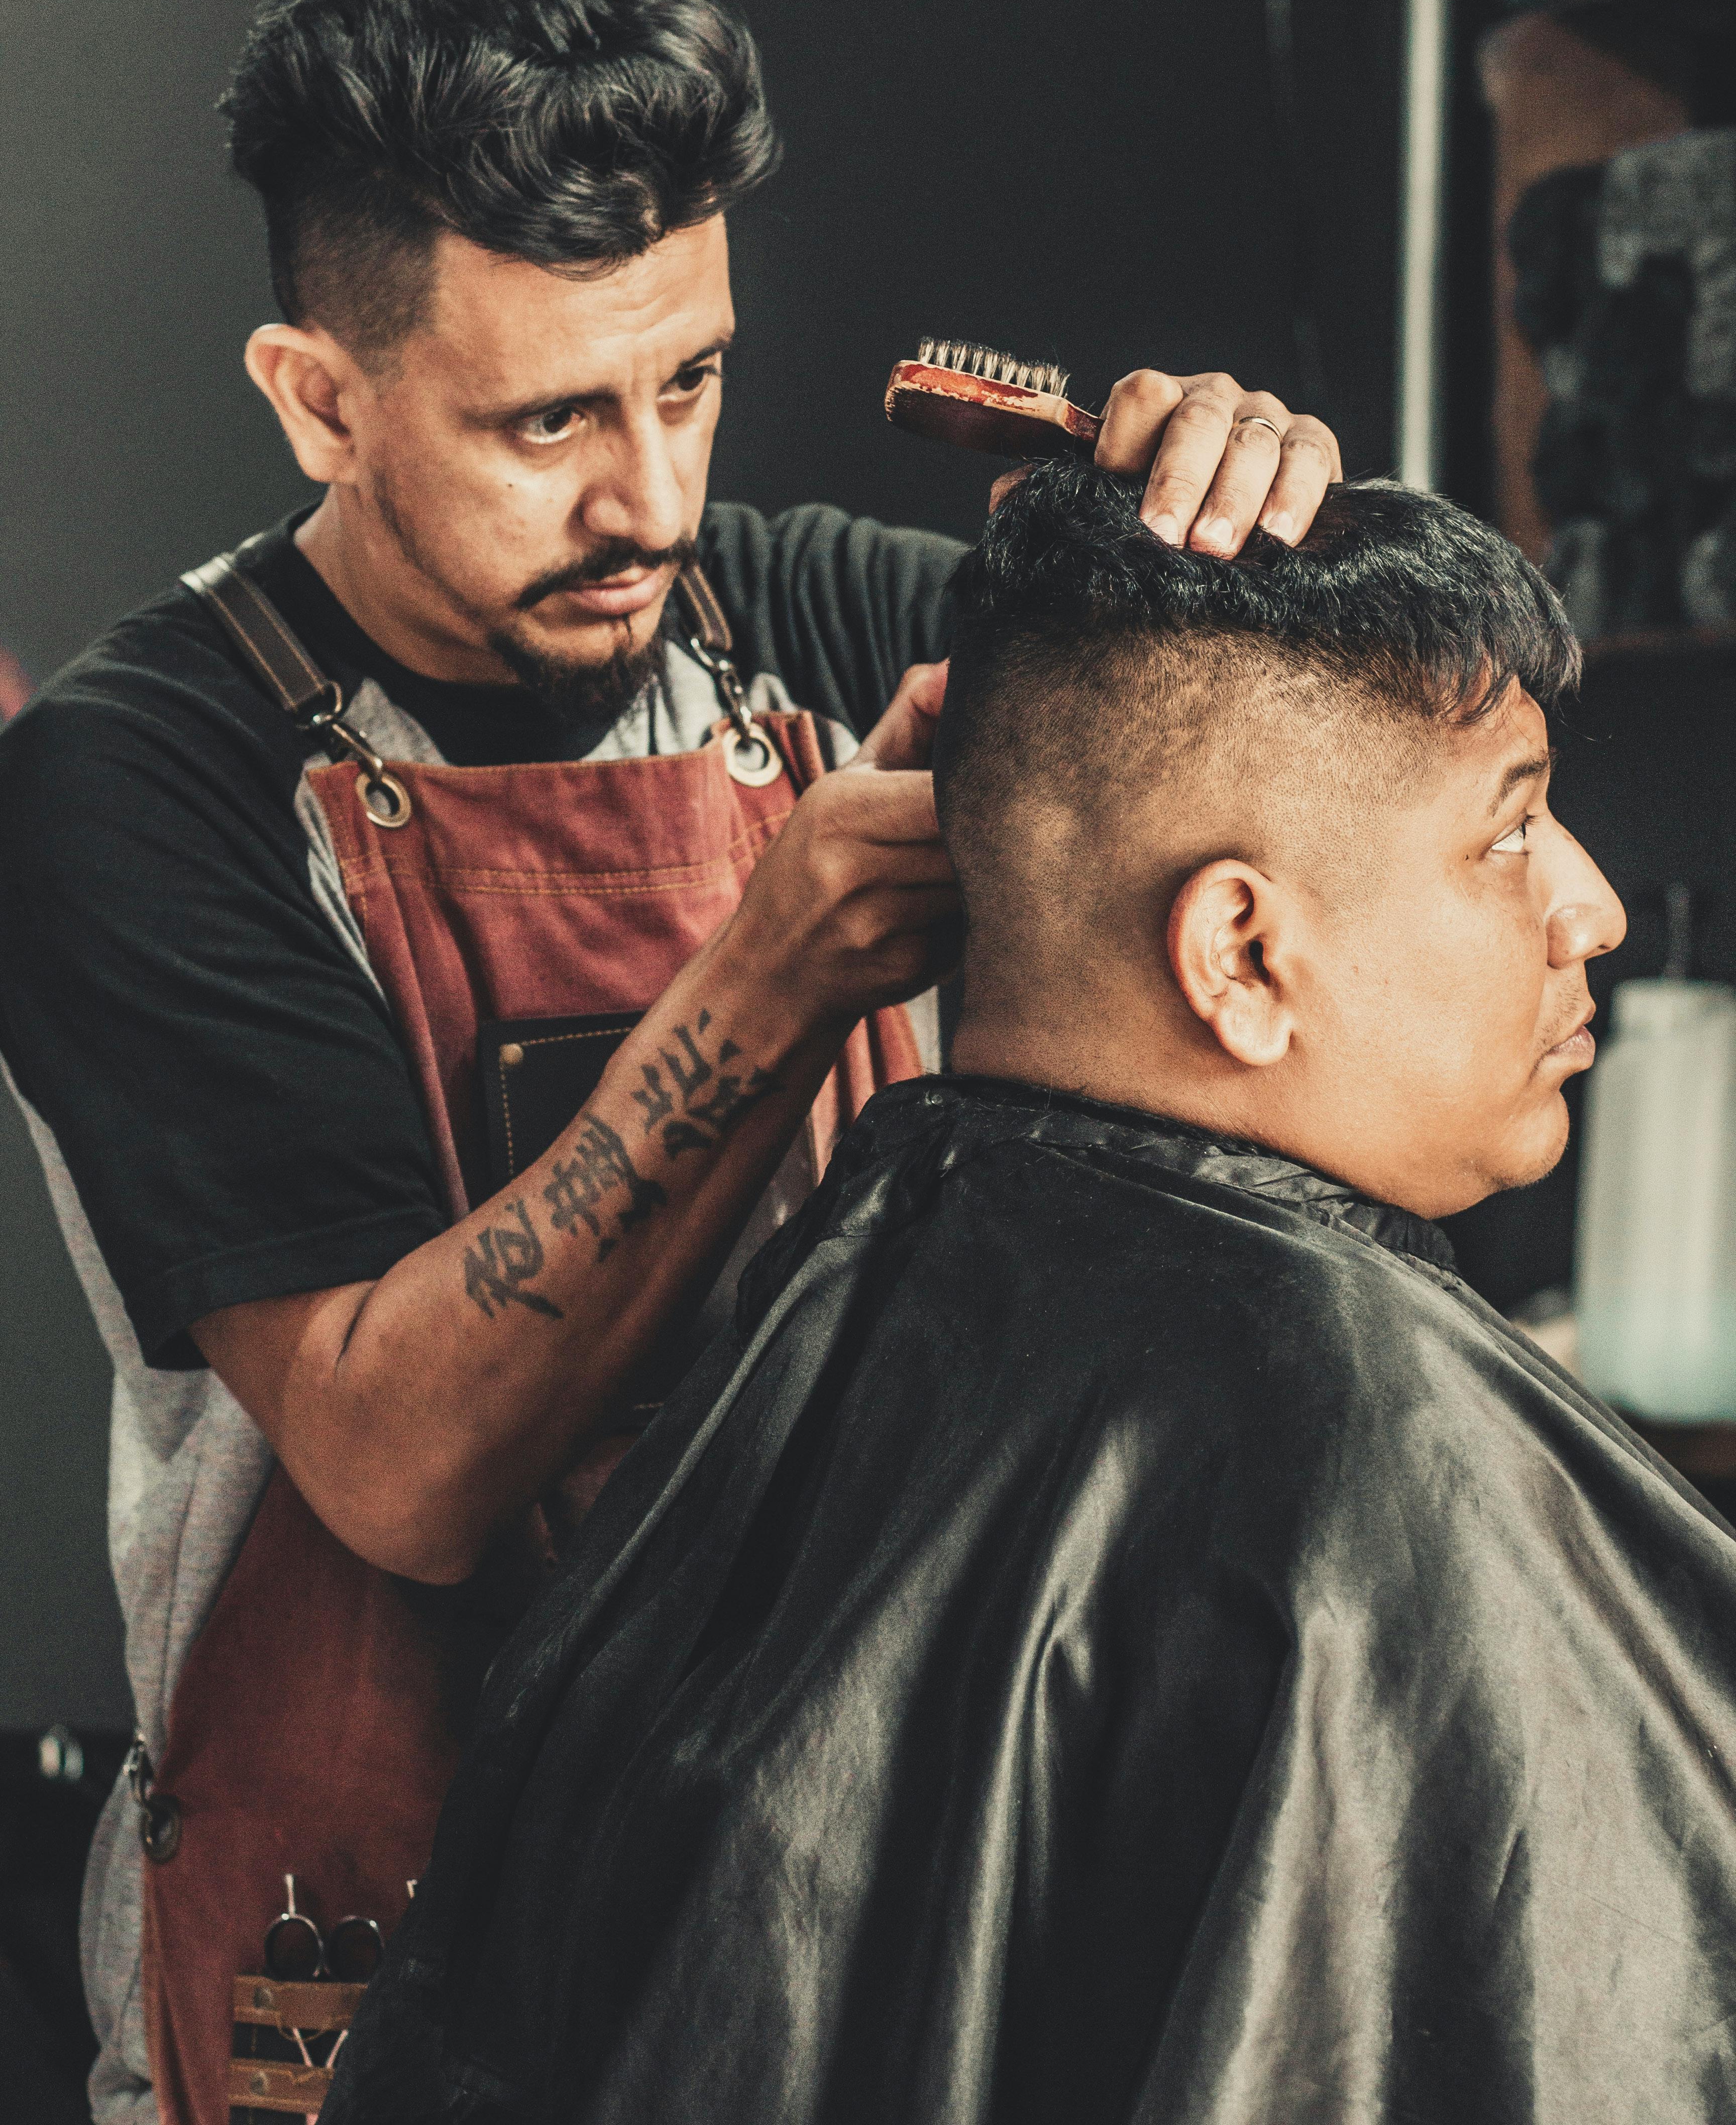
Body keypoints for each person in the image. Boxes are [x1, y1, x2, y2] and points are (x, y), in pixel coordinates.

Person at [0, 0, 1342, 2125]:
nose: (651, 497)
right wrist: (781, 963)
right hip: (370, 1960)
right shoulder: (143, 783)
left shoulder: (810, 616)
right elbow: (399, 1462)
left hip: (835, 1909)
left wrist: (1232, 565)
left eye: (689, 378)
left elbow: (1322, 834)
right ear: (317, 398)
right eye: (547, 421)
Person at [326, 463, 1736, 2125]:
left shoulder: (821, 1346)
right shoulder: (1385, 1465)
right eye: (1510, 829)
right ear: (1242, 957)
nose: (1595, 905)